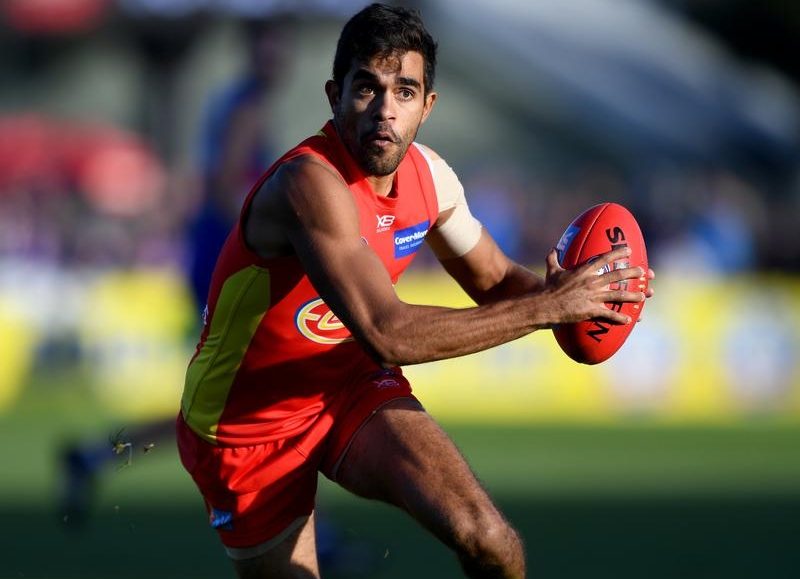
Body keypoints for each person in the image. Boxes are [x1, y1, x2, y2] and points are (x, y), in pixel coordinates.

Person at [176, 4, 655, 578]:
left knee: (491, 541)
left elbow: (497, 281)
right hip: (246, 427)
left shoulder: (432, 178)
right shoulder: (308, 183)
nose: (385, 110)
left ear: (427, 106)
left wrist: (590, 295)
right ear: (334, 96)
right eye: (367, 88)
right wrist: (551, 306)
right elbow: (388, 333)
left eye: (404, 91)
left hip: (347, 388)